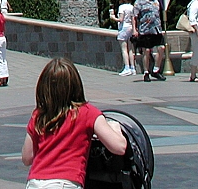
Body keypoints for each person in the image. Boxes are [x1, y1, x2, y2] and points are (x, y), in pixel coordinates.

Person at [21, 57, 127, 188]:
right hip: (65, 184)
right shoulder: (87, 113)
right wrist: (115, 128)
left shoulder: (39, 115)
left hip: (35, 183)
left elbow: (27, 158)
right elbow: (119, 147)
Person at [132, 0, 166, 81]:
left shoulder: (155, 1)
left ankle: (156, 70)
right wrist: (135, 29)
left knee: (161, 48)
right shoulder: (139, 2)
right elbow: (134, 17)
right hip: (145, 30)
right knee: (146, 51)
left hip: (156, 29)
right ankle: (146, 72)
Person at [109, 0, 135, 76]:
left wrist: (113, 17)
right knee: (130, 49)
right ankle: (133, 68)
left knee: (124, 49)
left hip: (124, 28)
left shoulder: (122, 7)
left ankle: (127, 68)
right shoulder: (131, 7)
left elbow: (120, 19)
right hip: (131, 27)